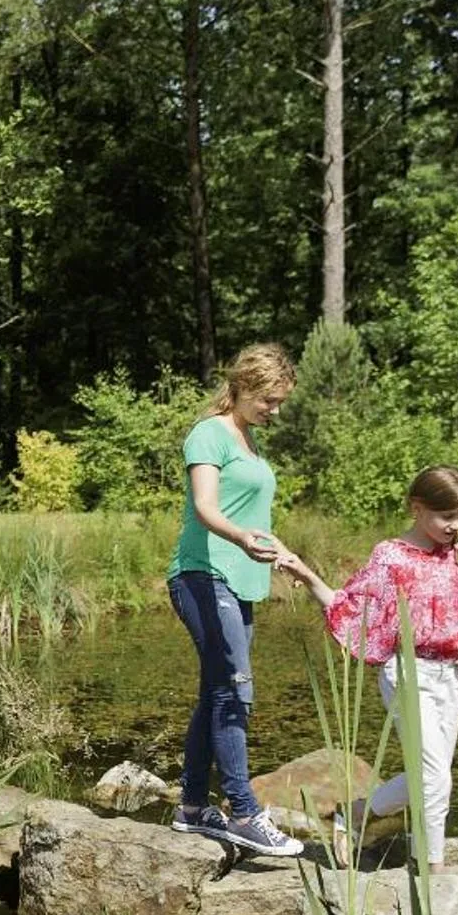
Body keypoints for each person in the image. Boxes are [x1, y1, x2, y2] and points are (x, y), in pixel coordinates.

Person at [276, 466, 458, 865]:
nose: (456, 525)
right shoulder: (391, 557)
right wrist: (307, 576)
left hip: (451, 675)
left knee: (430, 777)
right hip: (408, 672)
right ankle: (430, 867)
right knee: (434, 776)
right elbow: (351, 607)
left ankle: (354, 814)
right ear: (417, 508)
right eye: (447, 516)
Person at [166, 342, 305, 858]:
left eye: (280, 401)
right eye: (269, 399)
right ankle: (244, 812)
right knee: (233, 690)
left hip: (242, 581)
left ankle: (193, 807)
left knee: (217, 692)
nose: (276, 410)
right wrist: (241, 539)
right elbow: (205, 507)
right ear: (243, 387)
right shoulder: (210, 434)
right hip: (203, 575)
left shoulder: (249, 443)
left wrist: (278, 552)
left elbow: (254, 518)